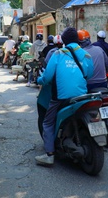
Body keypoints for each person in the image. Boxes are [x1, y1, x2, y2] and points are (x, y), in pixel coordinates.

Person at [35, 27, 94, 166]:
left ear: (64, 41)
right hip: (82, 96)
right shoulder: (86, 55)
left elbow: (47, 77)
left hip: (61, 98)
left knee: (48, 123)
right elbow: (89, 74)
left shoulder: (58, 54)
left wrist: (39, 80)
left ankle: (49, 155)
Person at [36, 35, 63, 137]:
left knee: (44, 115)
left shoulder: (54, 53)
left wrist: (39, 80)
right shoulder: (74, 53)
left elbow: (47, 72)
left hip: (55, 90)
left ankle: (49, 144)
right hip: (77, 91)